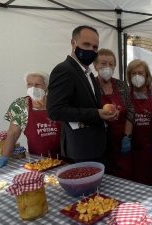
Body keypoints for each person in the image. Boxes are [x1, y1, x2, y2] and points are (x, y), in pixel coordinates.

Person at [47, 25, 118, 163]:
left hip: (96, 146)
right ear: (73, 43)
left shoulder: (88, 74)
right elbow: (54, 111)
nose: (91, 50)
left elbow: (87, 104)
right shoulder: (64, 70)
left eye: (95, 47)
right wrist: (96, 113)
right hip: (81, 149)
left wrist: (105, 114)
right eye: (86, 44)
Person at [0, 72, 61, 171]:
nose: (33, 87)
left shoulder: (58, 102)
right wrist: (4, 156)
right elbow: (13, 133)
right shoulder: (20, 106)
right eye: (29, 84)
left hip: (64, 158)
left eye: (38, 84)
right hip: (38, 161)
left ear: (46, 86)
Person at [93, 49, 134, 180]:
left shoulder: (121, 85)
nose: (107, 67)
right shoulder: (90, 85)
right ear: (95, 65)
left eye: (111, 64)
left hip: (121, 139)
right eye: (103, 64)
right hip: (100, 142)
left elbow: (130, 111)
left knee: (124, 175)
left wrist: (127, 136)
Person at [126, 59, 152, 186]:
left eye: (140, 73)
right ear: (129, 76)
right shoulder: (126, 94)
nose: (137, 76)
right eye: (133, 73)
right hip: (135, 149)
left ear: (147, 75)